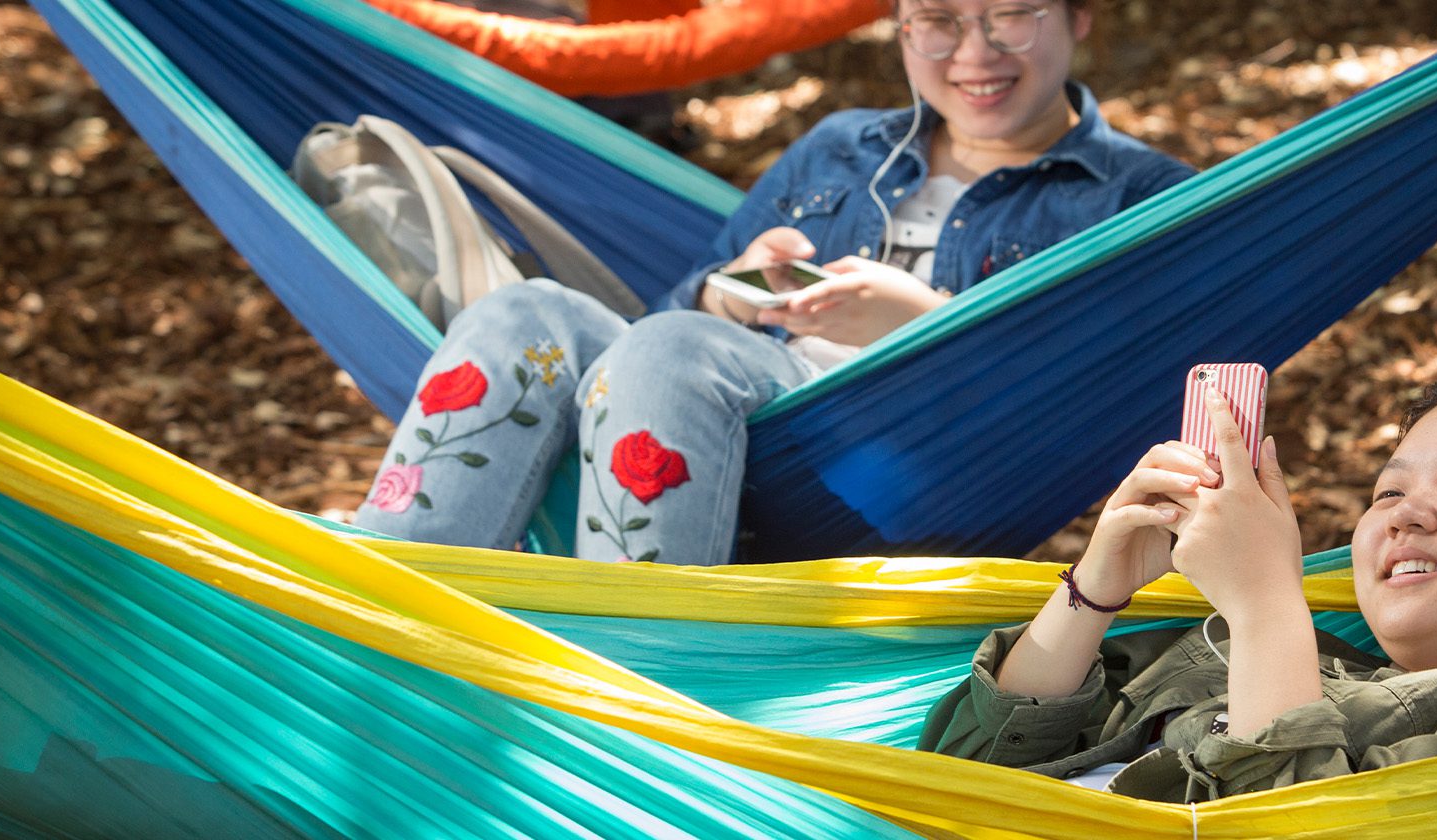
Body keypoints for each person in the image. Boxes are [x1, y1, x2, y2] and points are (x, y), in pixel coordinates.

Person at [352, 0, 1196, 565]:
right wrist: (728, 291)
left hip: (897, 467)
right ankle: (373, 609)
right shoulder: (840, 148)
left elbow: (1117, 404)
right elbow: (671, 316)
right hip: (719, 406)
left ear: (1080, 17)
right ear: (901, 28)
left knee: (675, 351)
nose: (974, 54)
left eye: (1011, 16)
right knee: (523, 311)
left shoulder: (1140, 197)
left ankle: (635, 656)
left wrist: (922, 324)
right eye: (936, 20)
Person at [917, 363, 1437, 800]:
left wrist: (1262, 605)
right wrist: (1096, 588)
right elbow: (962, 773)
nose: (1405, 516)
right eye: (1387, 494)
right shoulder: (1249, 653)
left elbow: (1291, 823)